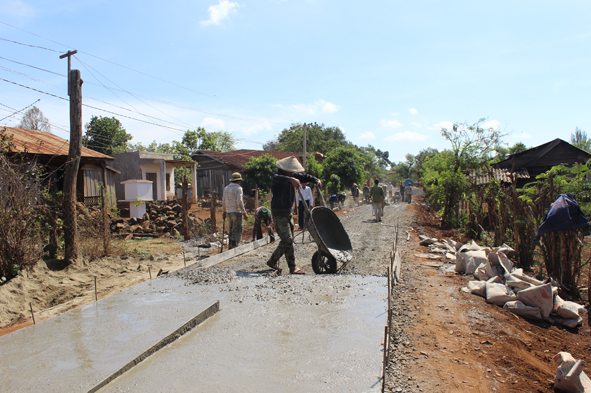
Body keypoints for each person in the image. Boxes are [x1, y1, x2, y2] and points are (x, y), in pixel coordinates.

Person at [267, 156, 321, 275]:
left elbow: (305, 177)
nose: (292, 172)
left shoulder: (294, 176)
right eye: (290, 170)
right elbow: (279, 178)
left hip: (288, 212)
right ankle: (293, 267)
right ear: (284, 169)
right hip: (279, 212)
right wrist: (290, 179)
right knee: (287, 239)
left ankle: (272, 260)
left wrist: (316, 180)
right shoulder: (277, 176)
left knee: (287, 240)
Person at [222, 172, 248, 249]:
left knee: (231, 229)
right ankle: (235, 247)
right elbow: (239, 201)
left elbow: (223, 201)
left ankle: (230, 246)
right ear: (238, 180)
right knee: (238, 229)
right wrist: (244, 213)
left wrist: (224, 211)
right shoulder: (239, 188)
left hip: (229, 212)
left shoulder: (226, 188)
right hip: (237, 212)